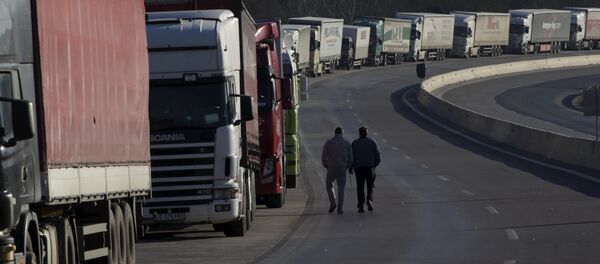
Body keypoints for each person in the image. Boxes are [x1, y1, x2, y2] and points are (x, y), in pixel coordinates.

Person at [321, 127, 353, 214]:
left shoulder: (329, 142)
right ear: (342, 133)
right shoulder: (347, 143)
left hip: (331, 167)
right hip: (342, 167)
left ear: (335, 133)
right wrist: (347, 166)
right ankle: (340, 208)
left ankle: (333, 202)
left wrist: (326, 165)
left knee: (329, 185)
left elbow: (324, 156)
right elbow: (351, 158)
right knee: (341, 188)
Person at [351, 127, 381, 213]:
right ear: (367, 133)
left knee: (360, 187)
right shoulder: (372, 143)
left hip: (359, 168)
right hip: (369, 168)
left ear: (359, 133)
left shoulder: (355, 143)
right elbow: (378, 157)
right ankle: (369, 200)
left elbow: (351, 157)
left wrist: (351, 167)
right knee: (370, 186)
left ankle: (361, 205)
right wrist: (374, 166)